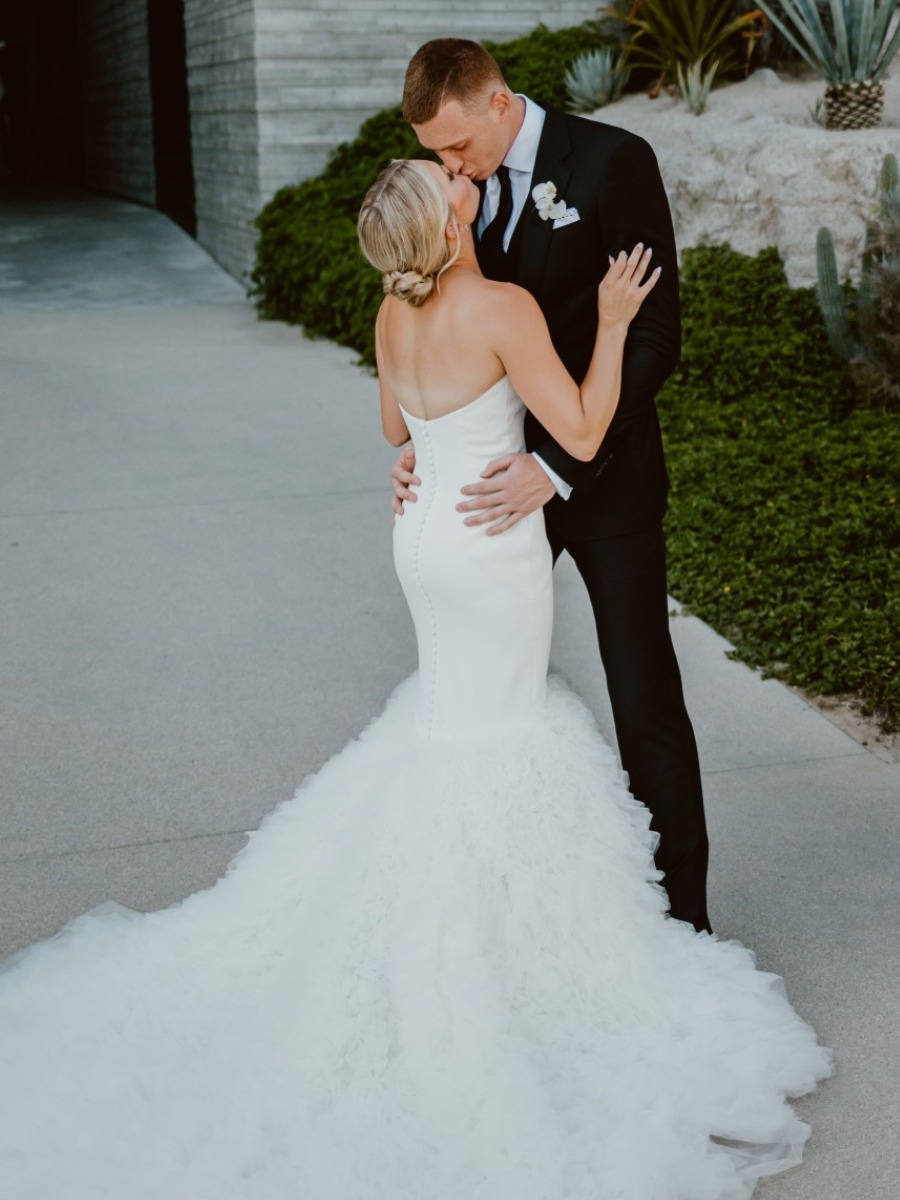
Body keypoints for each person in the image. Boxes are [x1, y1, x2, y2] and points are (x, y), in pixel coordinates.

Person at [0, 152, 830, 1199]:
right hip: (490, 549)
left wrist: (421, 451)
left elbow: (397, 429)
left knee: (455, 729)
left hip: (426, 537)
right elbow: (577, 429)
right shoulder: (504, 304)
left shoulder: (395, 314)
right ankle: (503, 961)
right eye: (448, 189)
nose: (461, 183)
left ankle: (458, 929)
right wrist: (614, 325)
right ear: (443, 228)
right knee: (501, 738)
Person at [393, 38, 711, 933]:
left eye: (456, 146)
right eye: (434, 154)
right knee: (501, 710)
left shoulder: (613, 163)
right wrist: (430, 439)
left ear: (499, 102)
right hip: (487, 494)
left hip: (600, 480)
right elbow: (434, 322)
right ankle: (531, 921)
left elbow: (656, 337)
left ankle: (681, 919)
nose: (447, 167)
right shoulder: (450, 193)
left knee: (643, 695)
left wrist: (561, 465)